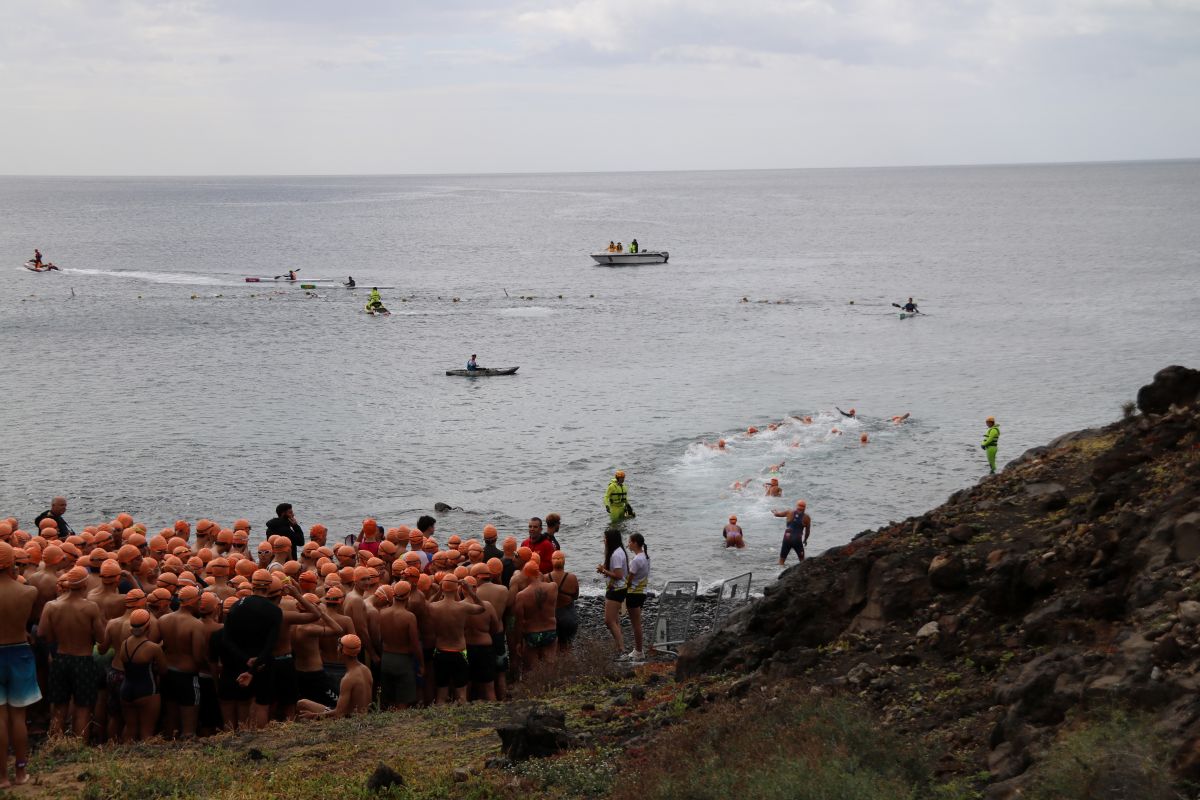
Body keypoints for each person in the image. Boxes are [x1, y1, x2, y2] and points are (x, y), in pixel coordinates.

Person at [39, 566, 104, 739]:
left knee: (59, 707)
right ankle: (78, 748)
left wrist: (58, 636)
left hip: (60, 658)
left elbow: (43, 634)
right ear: (84, 585)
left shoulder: (51, 606)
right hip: (83, 660)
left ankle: (55, 744)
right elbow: (101, 637)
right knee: (83, 708)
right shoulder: (91, 607)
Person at [0, 542, 39, 787]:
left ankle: (1, 776)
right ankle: (21, 772)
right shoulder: (29, 592)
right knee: (18, 717)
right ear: (12, 563)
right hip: (20, 653)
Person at [114, 609, 166, 742]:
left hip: (126, 689)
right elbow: (163, 670)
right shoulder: (153, 648)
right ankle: (145, 761)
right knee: (146, 732)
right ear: (148, 626)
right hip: (147, 690)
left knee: (130, 729)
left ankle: (124, 759)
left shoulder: (124, 644)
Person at [297, 635, 372, 719]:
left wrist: (313, 716)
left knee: (302, 704)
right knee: (303, 703)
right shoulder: (366, 670)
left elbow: (338, 714)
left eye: (338, 646)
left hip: (350, 721)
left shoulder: (348, 678)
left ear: (341, 651)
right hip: (362, 718)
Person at [597, 529, 628, 656]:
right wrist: (605, 569)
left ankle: (622, 649)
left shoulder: (615, 555)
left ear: (610, 540)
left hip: (616, 589)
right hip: (619, 588)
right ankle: (619, 647)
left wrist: (604, 571)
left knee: (609, 621)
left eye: (605, 538)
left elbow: (619, 575)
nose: (604, 540)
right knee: (615, 620)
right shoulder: (619, 551)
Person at [621, 533, 649, 662]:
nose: (628, 544)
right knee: (637, 622)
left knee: (636, 624)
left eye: (630, 542)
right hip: (642, 592)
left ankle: (639, 651)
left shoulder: (637, 560)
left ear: (635, 543)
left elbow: (629, 579)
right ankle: (638, 649)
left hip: (633, 593)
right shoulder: (646, 557)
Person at [773, 500, 811, 565]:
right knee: (802, 561)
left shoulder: (789, 512)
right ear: (804, 508)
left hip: (786, 539)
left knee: (781, 560)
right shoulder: (806, 518)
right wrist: (805, 540)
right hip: (797, 540)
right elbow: (807, 532)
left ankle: (779, 573)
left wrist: (775, 512)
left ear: (797, 506)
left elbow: (777, 515)